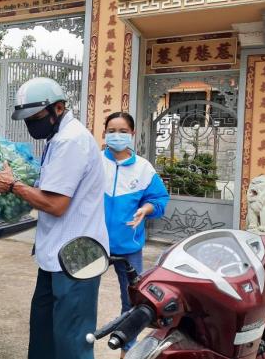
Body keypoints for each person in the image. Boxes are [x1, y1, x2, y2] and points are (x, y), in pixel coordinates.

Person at [0, 77, 109, 359]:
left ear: (59, 108)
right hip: (57, 255)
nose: (31, 125)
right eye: (26, 119)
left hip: (77, 256)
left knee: (71, 340)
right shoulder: (58, 138)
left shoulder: (70, 141)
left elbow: (55, 203)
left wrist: (14, 185)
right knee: (45, 333)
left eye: (35, 117)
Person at [101, 112, 169, 358]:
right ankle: (79, 346)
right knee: (82, 298)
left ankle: (126, 351)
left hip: (129, 248)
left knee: (132, 303)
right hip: (94, 245)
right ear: (104, 133)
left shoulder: (143, 168)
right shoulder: (95, 162)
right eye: (112, 130)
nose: (116, 136)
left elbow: (159, 200)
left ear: (132, 135)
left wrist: (144, 210)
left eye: (122, 131)